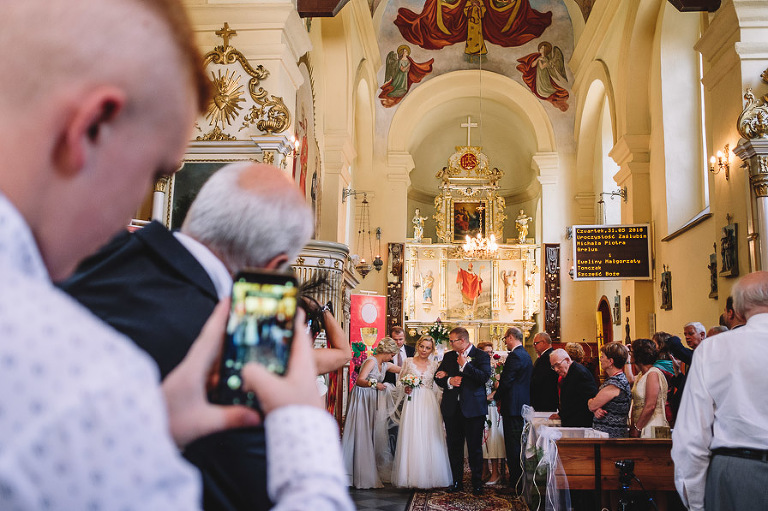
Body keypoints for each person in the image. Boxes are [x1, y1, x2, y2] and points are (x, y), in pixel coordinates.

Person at [0, 1, 352, 510]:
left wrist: (150, 427)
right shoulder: (87, 371)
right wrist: (301, 417)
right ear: (91, 128)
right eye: (154, 173)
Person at [61, 162, 350, 510]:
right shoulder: (238, 353)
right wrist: (304, 418)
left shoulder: (83, 255)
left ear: (199, 213)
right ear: (275, 266)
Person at [672, 271, 768, 510]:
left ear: (737, 310)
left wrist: (696, 501)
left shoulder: (713, 349)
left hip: (738, 472)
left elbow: (692, 435)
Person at [435, 327, 492, 495]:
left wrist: (465, 365)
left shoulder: (480, 355)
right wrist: (449, 380)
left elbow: (484, 377)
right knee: (454, 447)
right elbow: (438, 377)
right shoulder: (448, 356)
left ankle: (477, 483)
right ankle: (457, 482)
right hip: (452, 408)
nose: (450, 343)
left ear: (462, 341)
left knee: (475, 448)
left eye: (452, 341)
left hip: (473, 409)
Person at [390, 336, 452, 488]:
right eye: (422, 346)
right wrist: (405, 387)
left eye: (428, 348)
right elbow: (399, 382)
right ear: (417, 346)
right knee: (413, 434)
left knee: (429, 435)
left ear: (432, 350)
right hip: (413, 402)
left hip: (429, 402)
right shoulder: (408, 361)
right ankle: (411, 476)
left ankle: (431, 475)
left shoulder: (435, 365)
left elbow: (439, 385)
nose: (424, 350)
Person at [341, 337, 400, 489]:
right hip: (361, 397)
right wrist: (374, 384)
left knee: (369, 431)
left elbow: (401, 369)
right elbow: (359, 380)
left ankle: (365, 468)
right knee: (361, 430)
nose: (392, 358)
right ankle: (354, 472)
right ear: (386, 351)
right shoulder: (371, 362)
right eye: (391, 354)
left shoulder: (385, 364)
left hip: (371, 397)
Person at [494, 328, 532, 491]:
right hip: (520, 404)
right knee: (517, 443)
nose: (505, 343)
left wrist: (496, 396)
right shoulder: (525, 354)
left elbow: (507, 381)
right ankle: (518, 480)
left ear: (510, 337)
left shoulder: (515, 355)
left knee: (513, 445)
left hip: (513, 406)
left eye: (505, 339)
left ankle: (516, 482)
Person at [588, 343, 631, 438]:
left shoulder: (614, 383)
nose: (600, 359)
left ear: (611, 361)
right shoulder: (618, 379)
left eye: (602, 356)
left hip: (611, 437)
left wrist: (592, 404)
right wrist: (596, 409)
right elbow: (596, 405)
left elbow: (592, 405)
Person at [477, 341, 505, 486]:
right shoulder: (476, 368)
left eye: (491, 352)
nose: (489, 354)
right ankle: (484, 470)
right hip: (478, 407)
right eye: (486, 352)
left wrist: (490, 395)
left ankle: (495, 472)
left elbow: (499, 388)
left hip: (492, 407)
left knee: (493, 439)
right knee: (482, 440)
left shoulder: (495, 369)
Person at [629, 338, 669, 438]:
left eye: (632, 352)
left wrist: (637, 428)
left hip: (652, 425)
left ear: (639, 355)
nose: (630, 354)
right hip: (642, 424)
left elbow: (651, 405)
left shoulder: (653, 374)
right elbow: (629, 379)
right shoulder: (641, 375)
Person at [548, 349, 597, 427]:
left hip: (580, 424)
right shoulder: (569, 372)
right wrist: (561, 414)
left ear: (567, 360)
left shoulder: (580, 373)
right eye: (553, 366)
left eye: (557, 365)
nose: (556, 369)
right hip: (571, 422)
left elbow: (590, 400)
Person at [530, 332, 559, 412]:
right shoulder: (548, 355)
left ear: (543, 342)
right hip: (547, 400)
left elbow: (538, 380)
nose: (534, 346)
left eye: (536, 343)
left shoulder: (546, 357)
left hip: (544, 401)